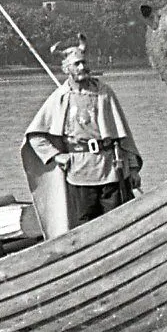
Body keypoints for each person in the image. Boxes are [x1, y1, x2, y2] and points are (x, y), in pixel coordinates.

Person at [24, 37, 143, 229]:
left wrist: (133, 167)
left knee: (118, 224)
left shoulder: (104, 94)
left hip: (110, 170)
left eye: (84, 63)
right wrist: (56, 156)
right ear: (66, 69)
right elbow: (35, 136)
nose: (82, 68)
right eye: (76, 64)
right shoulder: (60, 98)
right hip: (79, 173)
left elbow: (122, 136)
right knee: (85, 227)